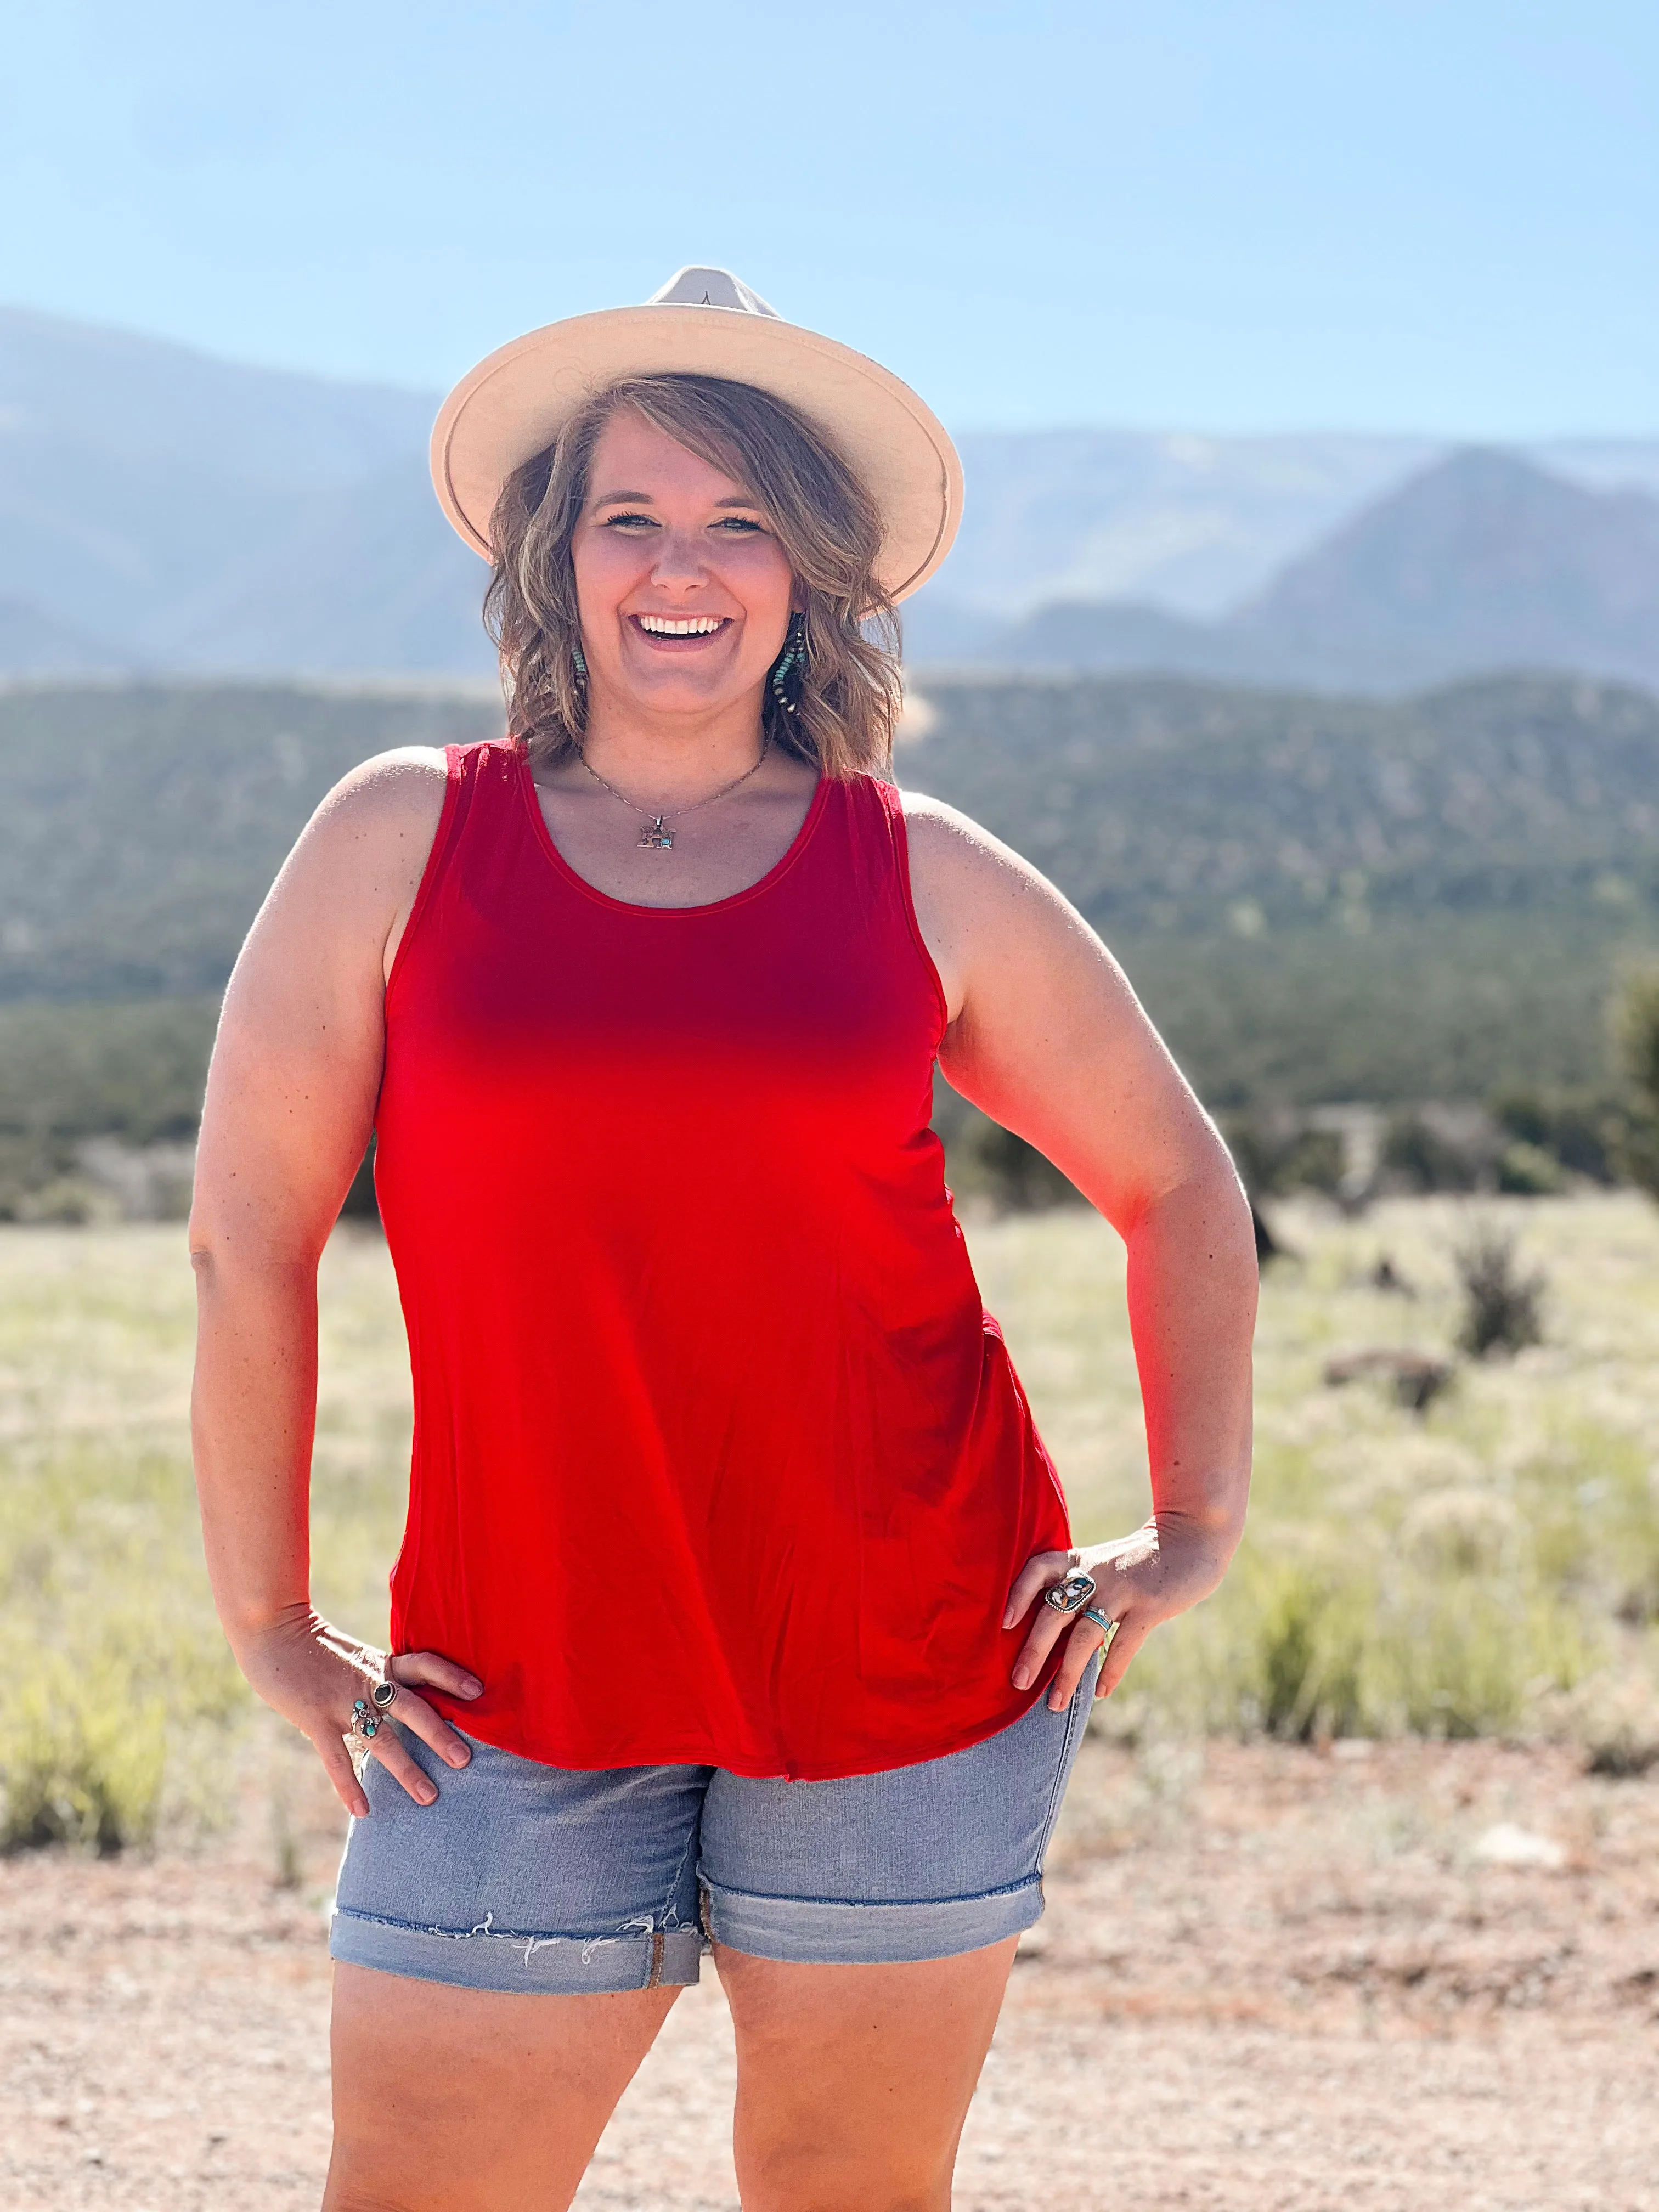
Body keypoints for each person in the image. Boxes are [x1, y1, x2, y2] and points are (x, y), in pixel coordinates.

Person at [190, 266, 1256, 2212]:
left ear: (811, 571)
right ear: (555, 556)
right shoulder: (402, 840)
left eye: (741, 521)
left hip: (903, 1663)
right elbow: (246, 1239)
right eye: (633, 515)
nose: (684, 568)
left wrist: (1197, 1525)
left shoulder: (915, 867)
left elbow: (1181, 1184)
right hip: (505, 1682)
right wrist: (268, 1622)